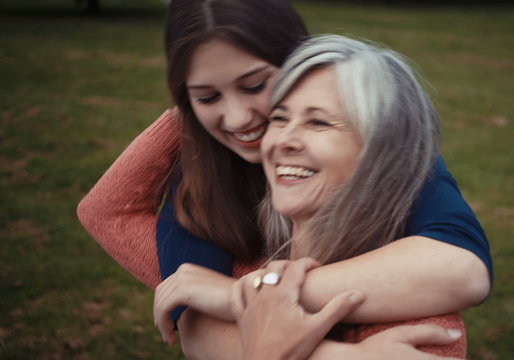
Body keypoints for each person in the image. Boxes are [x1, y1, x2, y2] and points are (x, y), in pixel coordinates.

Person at [76, 0, 492, 357]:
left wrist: (240, 295)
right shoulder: (204, 178)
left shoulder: (386, 151)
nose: (239, 119)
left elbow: (461, 268)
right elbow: (196, 325)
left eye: (255, 84)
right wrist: (185, 114)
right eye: (208, 96)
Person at [155, 34, 470, 359]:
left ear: (381, 155)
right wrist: (188, 109)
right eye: (279, 118)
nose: (283, 140)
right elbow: (109, 212)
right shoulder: (246, 262)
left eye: (318, 122)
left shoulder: (419, 330)